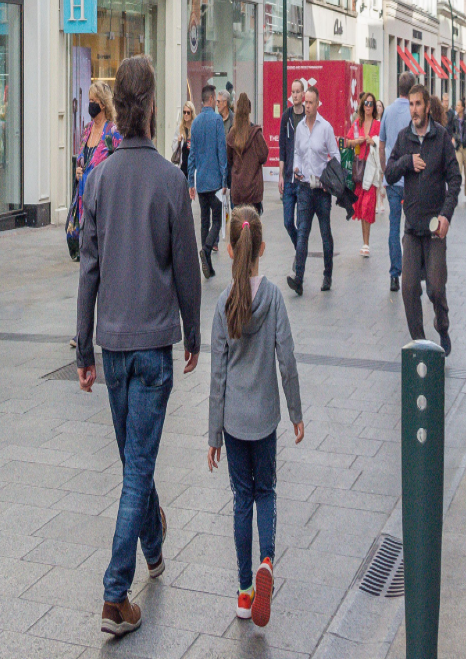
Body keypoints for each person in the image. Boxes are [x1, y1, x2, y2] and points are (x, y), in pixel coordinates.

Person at [76, 55, 202, 640]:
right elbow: (187, 272)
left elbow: (89, 271)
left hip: (113, 344)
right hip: (153, 345)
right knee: (137, 468)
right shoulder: (172, 181)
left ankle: (154, 542)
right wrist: (195, 335)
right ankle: (113, 594)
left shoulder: (98, 177)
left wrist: (83, 349)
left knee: (135, 459)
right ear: (150, 106)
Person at [206, 206, 303, 630]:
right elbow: (288, 360)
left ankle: (245, 591)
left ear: (229, 250)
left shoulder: (224, 305)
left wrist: (213, 435)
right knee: (267, 492)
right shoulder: (275, 298)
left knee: (241, 500)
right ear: (262, 248)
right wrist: (296, 412)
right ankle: (267, 561)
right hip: (265, 419)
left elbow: (217, 378)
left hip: (233, 422)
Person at [385, 82, 460, 355]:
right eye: (411, 105)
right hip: (412, 228)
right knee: (408, 289)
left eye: (419, 104)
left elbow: (455, 179)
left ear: (428, 107)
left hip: (435, 229)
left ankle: (442, 325)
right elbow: (390, 172)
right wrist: (407, 161)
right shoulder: (404, 138)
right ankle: (420, 343)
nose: (414, 110)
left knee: (437, 288)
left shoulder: (440, 137)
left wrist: (446, 216)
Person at [286, 85, 337, 295]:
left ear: (317, 104)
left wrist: (328, 178)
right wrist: (296, 168)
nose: (306, 105)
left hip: (322, 190)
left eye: (310, 102)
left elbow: (335, 155)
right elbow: (297, 152)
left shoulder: (325, 128)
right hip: (305, 187)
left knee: (325, 233)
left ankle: (327, 275)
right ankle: (299, 278)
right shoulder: (299, 128)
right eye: (305, 102)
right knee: (303, 233)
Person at [189, 84, 229, 279]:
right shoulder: (217, 121)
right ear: (211, 99)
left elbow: (192, 155)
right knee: (217, 219)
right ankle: (206, 250)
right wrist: (224, 178)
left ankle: (208, 265)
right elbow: (222, 150)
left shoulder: (195, 123)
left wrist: (191, 182)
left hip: (201, 179)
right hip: (214, 180)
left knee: (204, 220)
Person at [380, 75, 413, 291]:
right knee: (411, 227)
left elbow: (381, 145)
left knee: (394, 225)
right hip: (412, 178)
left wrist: (385, 170)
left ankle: (394, 273)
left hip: (393, 178)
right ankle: (412, 270)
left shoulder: (388, 112)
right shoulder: (413, 111)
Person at [352, 96, 383, 256]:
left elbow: (383, 144)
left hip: (371, 171)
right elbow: (347, 142)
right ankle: (364, 241)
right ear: (363, 106)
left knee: (367, 206)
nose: (369, 106)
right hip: (359, 170)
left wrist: (374, 142)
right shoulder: (357, 124)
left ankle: (366, 243)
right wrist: (357, 141)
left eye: (371, 103)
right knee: (361, 206)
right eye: (366, 103)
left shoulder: (378, 125)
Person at [228, 94, 268, 213]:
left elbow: (229, 159)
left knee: (238, 227)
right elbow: (263, 156)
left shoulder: (232, 134)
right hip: (253, 191)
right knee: (254, 227)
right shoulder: (256, 134)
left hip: (237, 191)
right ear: (249, 110)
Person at [278, 80, 306, 247]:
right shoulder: (286, 116)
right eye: (293, 92)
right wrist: (280, 175)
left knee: (302, 224)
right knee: (288, 222)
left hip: (302, 179)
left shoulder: (306, 116)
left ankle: (299, 257)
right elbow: (282, 146)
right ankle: (299, 249)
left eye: (298, 92)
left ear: (303, 94)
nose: (295, 95)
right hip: (288, 178)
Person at [172, 101, 195, 169]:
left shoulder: (195, 128)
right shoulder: (179, 128)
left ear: (192, 113)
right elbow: (173, 148)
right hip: (182, 165)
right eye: (184, 112)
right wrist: (178, 141)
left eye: (188, 112)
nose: (186, 114)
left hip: (192, 165)